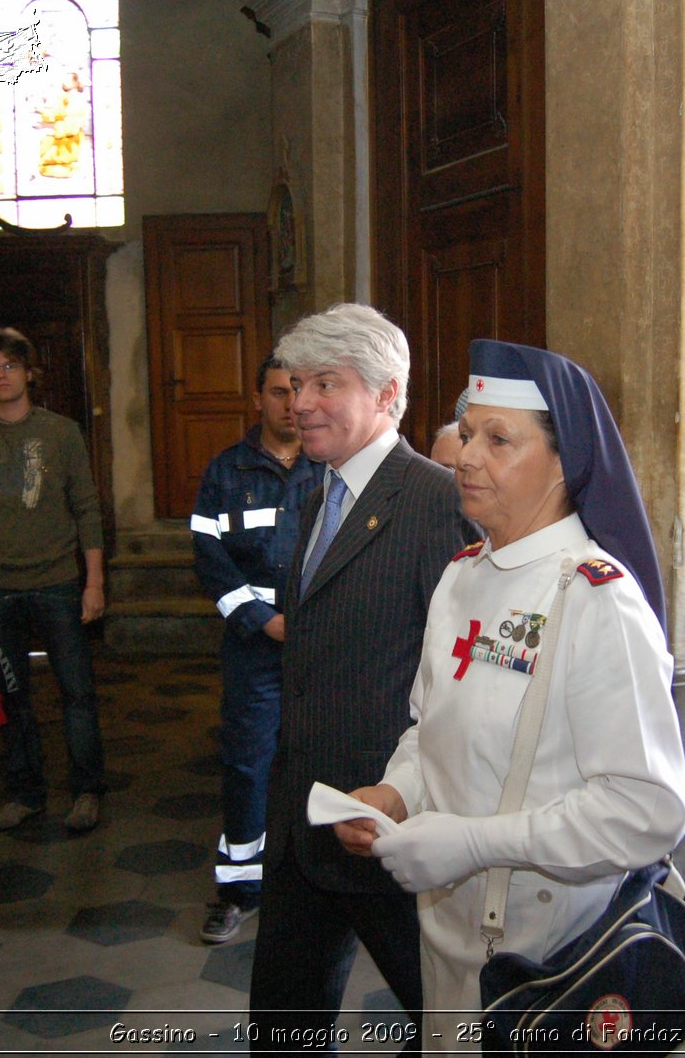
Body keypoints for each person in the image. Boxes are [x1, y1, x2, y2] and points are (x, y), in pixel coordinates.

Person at [333, 339, 685, 1050]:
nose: (465, 456)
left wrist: (470, 843)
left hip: (553, 951)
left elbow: (646, 812)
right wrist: (398, 791)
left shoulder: (597, 602)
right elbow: (429, 725)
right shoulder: (462, 574)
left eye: (499, 439)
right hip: (450, 933)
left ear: (564, 461)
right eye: (467, 434)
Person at [248, 303, 474, 1050]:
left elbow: (459, 678)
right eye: (295, 384)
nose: (300, 403)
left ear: (386, 394)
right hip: (303, 820)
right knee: (283, 1025)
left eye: (325, 385)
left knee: (449, 1025)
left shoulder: (436, 500)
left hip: (384, 823)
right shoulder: (319, 499)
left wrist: (407, 797)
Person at [0, 327, 108, 834]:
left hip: (57, 578)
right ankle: (25, 792)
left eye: (11, 366)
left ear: (29, 373)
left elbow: (86, 508)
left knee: (76, 691)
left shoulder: (61, 433)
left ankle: (86, 790)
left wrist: (94, 581)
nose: (3, 376)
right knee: (9, 693)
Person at [191, 357, 321, 944]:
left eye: (301, 390)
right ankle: (240, 889)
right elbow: (210, 563)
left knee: (328, 758)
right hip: (256, 649)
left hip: (327, 648)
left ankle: (324, 884)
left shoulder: (333, 464)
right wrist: (264, 621)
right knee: (249, 762)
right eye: (278, 392)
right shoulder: (226, 472)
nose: (292, 404)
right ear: (257, 400)